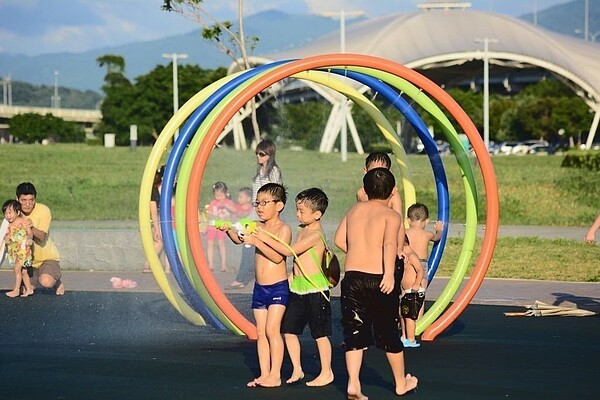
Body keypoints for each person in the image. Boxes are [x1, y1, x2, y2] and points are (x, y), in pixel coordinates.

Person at [334, 168, 418, 399]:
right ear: (392, 192)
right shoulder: (392, 216)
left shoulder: (354, 210)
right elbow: (390, 244)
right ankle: (401, 383)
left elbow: (339, 239)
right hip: (380, 278)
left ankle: (353, 384)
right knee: (388, 331)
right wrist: (389, 274)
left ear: (365, 189)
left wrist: (359, 251)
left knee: (354, 329)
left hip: (352, 278)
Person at [252, 188, 334, 387]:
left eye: (301, 211)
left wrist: (259, 236)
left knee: (319, 333)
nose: (297, 214)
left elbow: (290, 252)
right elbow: (298, 260)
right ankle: (297, 368)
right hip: (297, 286)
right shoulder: (301, 229)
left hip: (315, 288)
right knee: (289, 330)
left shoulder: (316, 234)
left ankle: (327, 371)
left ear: (317, 214)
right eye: (297, 210)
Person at [223, 183, 290, 388]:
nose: (259, 207)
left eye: (264, 203)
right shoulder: (255, 225)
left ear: (279, 205)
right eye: (257, 203)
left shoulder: (283, 228)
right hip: (260, 289)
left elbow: (278, 257)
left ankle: (276, 375)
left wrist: (259, 241)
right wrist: (228, 229)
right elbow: (238, 238)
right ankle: (265, 374)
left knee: (272, 330)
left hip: (278, 287)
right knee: (261, 332)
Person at [229, 139, 283, 289]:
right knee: (245, 238)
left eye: (262, 154)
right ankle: (244, 275)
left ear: (270, 155)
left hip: (265, 212)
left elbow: (276, 193)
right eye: (257, 154)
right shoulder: (260, 171)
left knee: (256, 242)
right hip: (256, 211)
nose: (258, 157)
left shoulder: (273, 171)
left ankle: (245, 277)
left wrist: (267, 209)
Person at [16, 182, 65, 295]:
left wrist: (30, 226)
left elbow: (41, 236)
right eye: (24, 200)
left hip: (47, 258)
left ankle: (56, 281)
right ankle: (33, 279)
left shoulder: (43, 210)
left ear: (35, 199)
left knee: (46, 282)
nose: (28, 204)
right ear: (17, 199)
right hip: (28, 262)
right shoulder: (14, 213)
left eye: (31, 200)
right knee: (27, 290)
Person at [356, 151, 405, 257]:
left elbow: (400, 224)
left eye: (381, 171)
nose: (376, 175)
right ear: (365, 171)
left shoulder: (393, 196)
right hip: (368, 243)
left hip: (389, 243)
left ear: (390, 172)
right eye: (373, 171)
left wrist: (400, 249)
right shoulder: (361, 194)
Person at [405, 202, 444, 290]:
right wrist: (439, 230)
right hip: (421, 263)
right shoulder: (427, 234)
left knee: (405, 288)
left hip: (407, 261)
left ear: (408, 220)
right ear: (427, 221)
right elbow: (437, 237)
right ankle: (420, 302)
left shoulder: (404, 232)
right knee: (421, 290)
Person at [3, 200, 34, 298]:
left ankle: (16, 290)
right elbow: (7, 235)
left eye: (10, 212)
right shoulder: (8, 225)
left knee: (17, 269)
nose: (8, 215)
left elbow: (30, 233)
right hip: (14, 250)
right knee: (23, 271)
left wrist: (30, 239)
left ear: (18, 212)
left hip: (23, 249)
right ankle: (29, 289)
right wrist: (6, 238)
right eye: (6, 213)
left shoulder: (23, 221)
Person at [143, 166, 171, 273]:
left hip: (161, 219)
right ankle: (148, 264)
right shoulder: (154, 190)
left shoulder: (166, 189)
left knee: (162, 241)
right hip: (155, 220)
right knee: (160, 241)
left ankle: (165, 267)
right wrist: (156, 228)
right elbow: (153, 212)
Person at [205, 181, 237, 272]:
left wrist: (226, 206)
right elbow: (210, 214)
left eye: (221, 196)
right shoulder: (213, 203)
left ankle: (223, 265)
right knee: (210, 243)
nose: (219, 198)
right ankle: (210, 264)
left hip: (223, 226)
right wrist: (211, 218)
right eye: (217, 196)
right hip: (213, 225)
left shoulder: (228, 202)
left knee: (221, 244)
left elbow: (234, 211)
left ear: (226, 193)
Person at [399, 234, 425, 348]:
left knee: (409, 316)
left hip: (413, 291)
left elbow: (420, 270)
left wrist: (416, 283)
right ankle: (404, 336)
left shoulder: (412, 256)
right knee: (402, 313)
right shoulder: (404, 257)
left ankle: (411, 339)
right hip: (406, 291)